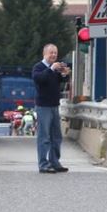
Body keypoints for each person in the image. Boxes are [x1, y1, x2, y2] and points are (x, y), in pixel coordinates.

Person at [31, 44, 70, 173]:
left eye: (55, 53)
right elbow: (40, 79)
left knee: (56, 136)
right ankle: (43, 164)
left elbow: (61, 81)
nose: (53, 55)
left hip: (54, 105)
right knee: (44, 136)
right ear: (45, 54)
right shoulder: (38, 67)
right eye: (51, 53)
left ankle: (55, 162)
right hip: (43, 106)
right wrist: (51, 69)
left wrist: (64, 74)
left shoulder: (55, 69)